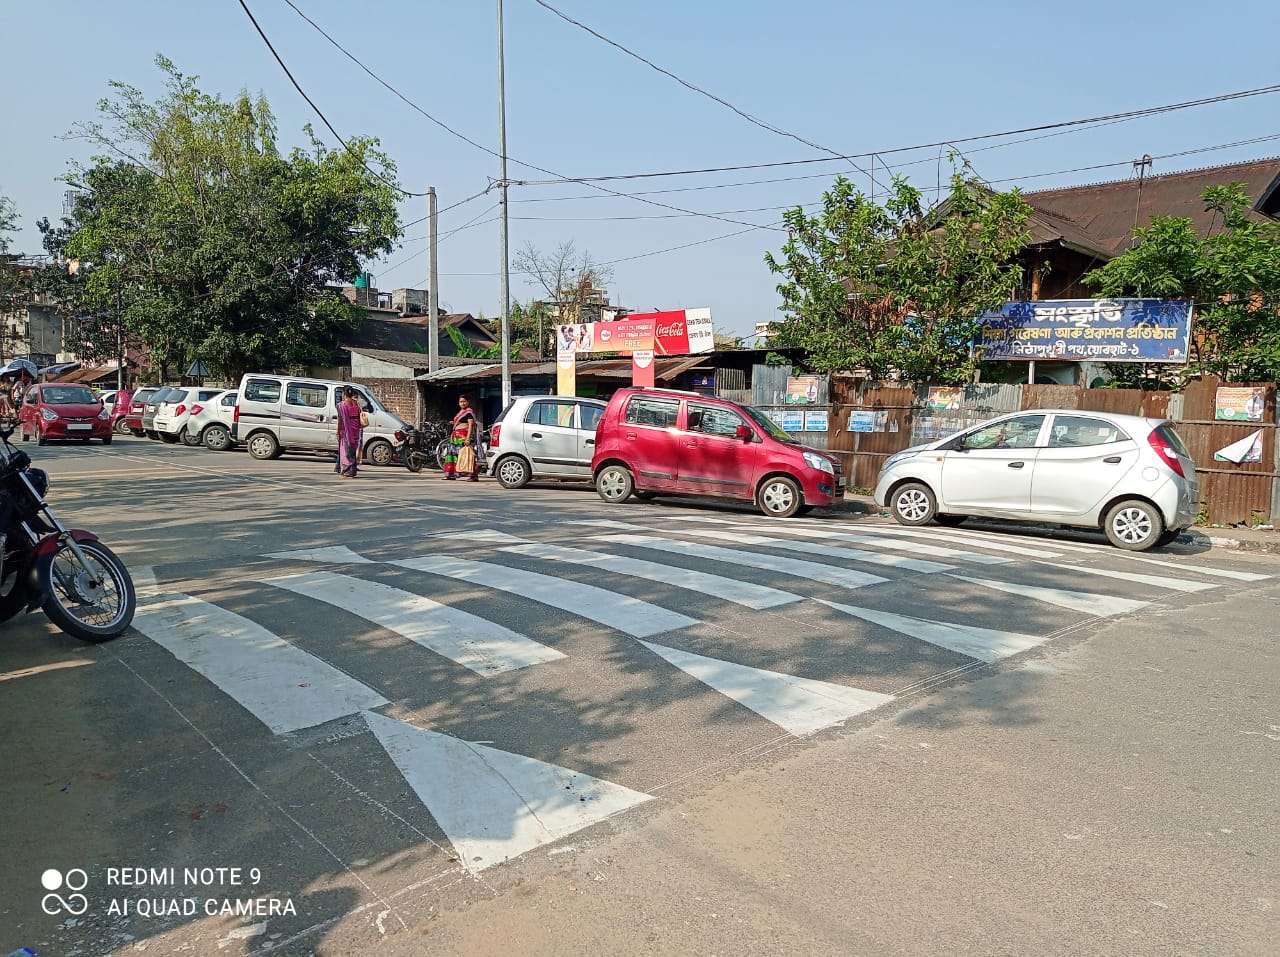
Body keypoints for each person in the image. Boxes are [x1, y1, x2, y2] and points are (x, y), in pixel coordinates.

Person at [443, 395, 480, 481]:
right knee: (452, 456)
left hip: (464, 437)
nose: (462, 403)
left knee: (466, 455)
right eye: (460, 402)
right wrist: (454, 423)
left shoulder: (469, 412)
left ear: (468, 402)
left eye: (464, 401)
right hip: (455, 438)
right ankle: (451, 474)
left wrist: (468, 438)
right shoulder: (461, 412)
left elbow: (470, 425)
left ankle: (473, 476)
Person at [335, 386, 364, 477]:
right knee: (352, 450)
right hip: (355, 430)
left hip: (346, 430)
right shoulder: (356, 404)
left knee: (345, 451)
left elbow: (340, 420)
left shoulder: (341, 405)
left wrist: (338, 431)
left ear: (344, 393)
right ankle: (353, 470)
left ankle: (347, 471)